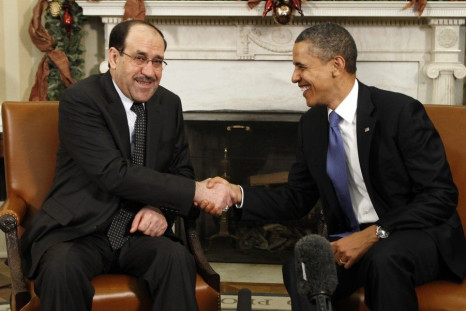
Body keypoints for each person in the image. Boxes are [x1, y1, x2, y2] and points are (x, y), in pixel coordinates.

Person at [204, 23, 466, 310]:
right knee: (301, 267)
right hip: (353, 241)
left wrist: (373, 234)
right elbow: (296, 198)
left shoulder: (400, 113)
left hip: (416, 235)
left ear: (336, 65)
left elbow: (439, 197)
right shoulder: (312, 124)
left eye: (301, 67)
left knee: (384, 259)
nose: (295, 78)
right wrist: (237, 194)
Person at [19, 19, 236, 311]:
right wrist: (196, 192)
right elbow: (114, 174)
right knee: (61, 271)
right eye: (140, 59)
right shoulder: (81, 100)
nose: (149, 72)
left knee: (176, 259)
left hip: (138, 233)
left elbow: (181, 170)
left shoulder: (168, 104)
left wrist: (161, 209)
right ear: (113, 57)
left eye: (157, 62)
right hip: (78, 230)